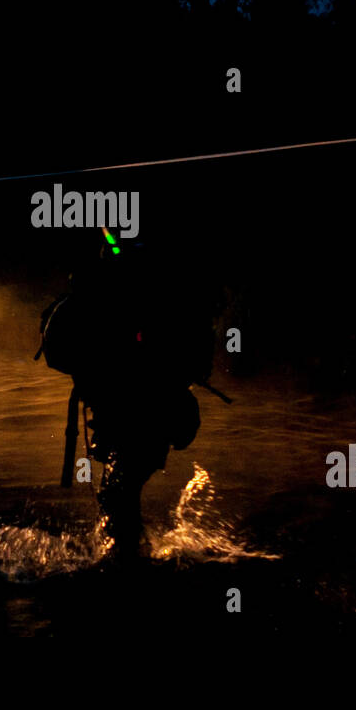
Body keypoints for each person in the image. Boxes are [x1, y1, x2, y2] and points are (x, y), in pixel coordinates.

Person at [39, 234, 218, 558]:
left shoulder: (154, 305)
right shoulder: (105, 303)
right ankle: (131, 555)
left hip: (150, 414)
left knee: (118, 490)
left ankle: (128, 560)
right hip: (125, 415)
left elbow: (59, 351)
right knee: (116, 491)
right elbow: (58, 350)